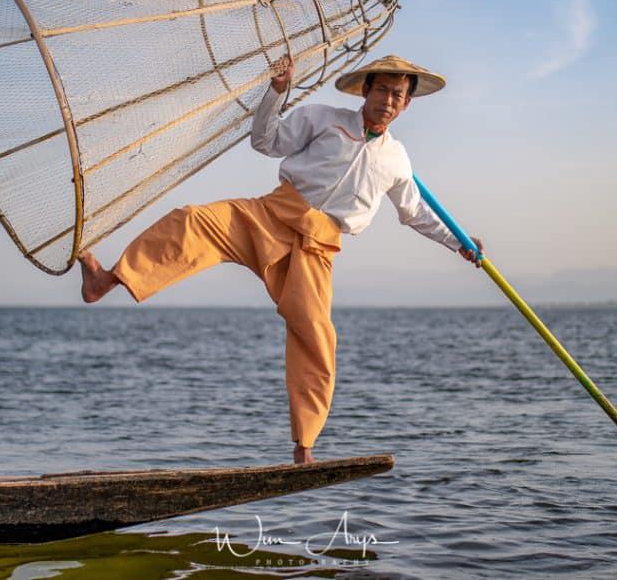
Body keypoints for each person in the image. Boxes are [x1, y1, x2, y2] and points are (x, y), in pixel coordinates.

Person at [78, 54, 483, 464]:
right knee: (192, 221)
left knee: (317, 339)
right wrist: (277, 92)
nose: (388, 101)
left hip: (316, 249)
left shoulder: (397, 160)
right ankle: (106, 281)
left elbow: (414, 212)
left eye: (398, 95)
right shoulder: (324, 118)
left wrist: (460, 243)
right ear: (366, 90)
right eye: (382, 90)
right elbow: (266, 141)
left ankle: (303, 447)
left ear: (407, 104)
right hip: (271, 214)